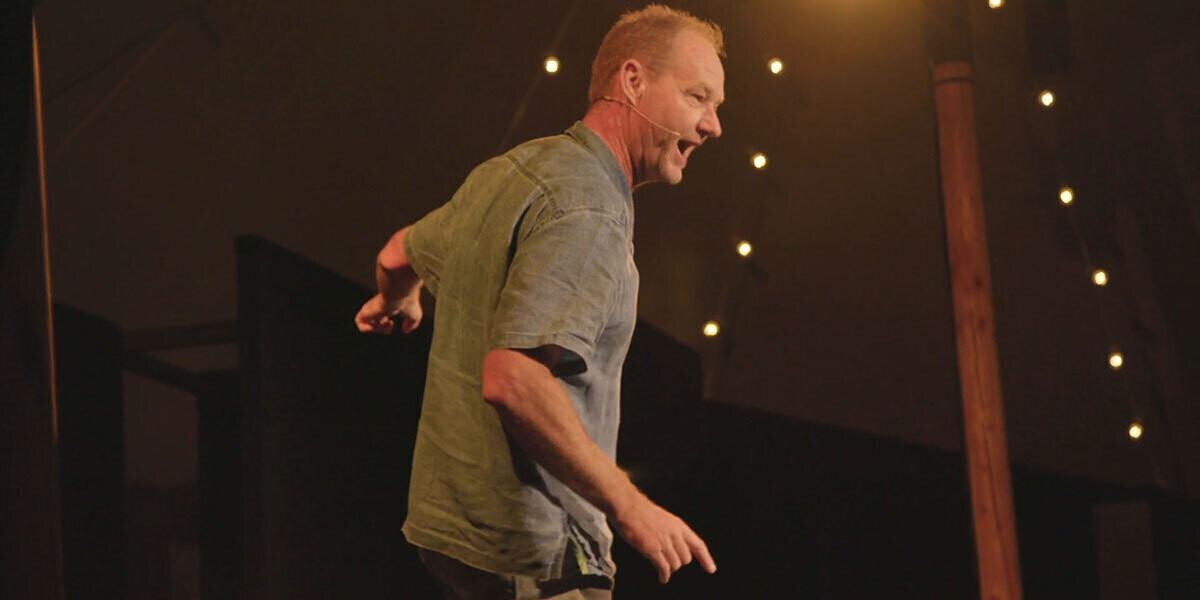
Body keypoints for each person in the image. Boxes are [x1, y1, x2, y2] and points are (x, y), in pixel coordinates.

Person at [355, 5, 725, 598]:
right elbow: (511, 379)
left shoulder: (510, 172)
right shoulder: (590, 212)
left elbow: (399, 252)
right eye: (697, 97)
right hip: (536, 553)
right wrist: (631, 507)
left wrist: (397, 299)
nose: (712, 126)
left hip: (453, 541)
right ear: (632, 82)